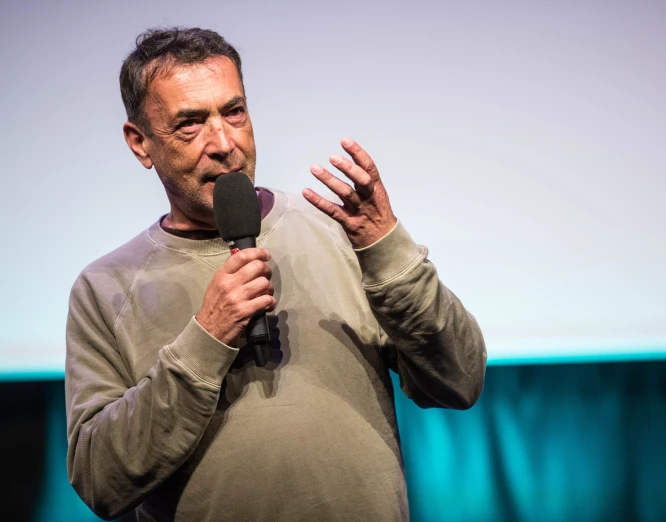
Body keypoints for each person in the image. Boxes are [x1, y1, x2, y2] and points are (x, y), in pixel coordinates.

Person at [64, 27, 486, 521]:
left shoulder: (339, 233)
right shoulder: (105, 288)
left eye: (234, 111)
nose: (223, 143)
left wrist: (387, 248)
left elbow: (460, 380)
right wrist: (206, 340)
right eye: (189, 124)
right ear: (140, 143)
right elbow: (100, 482)